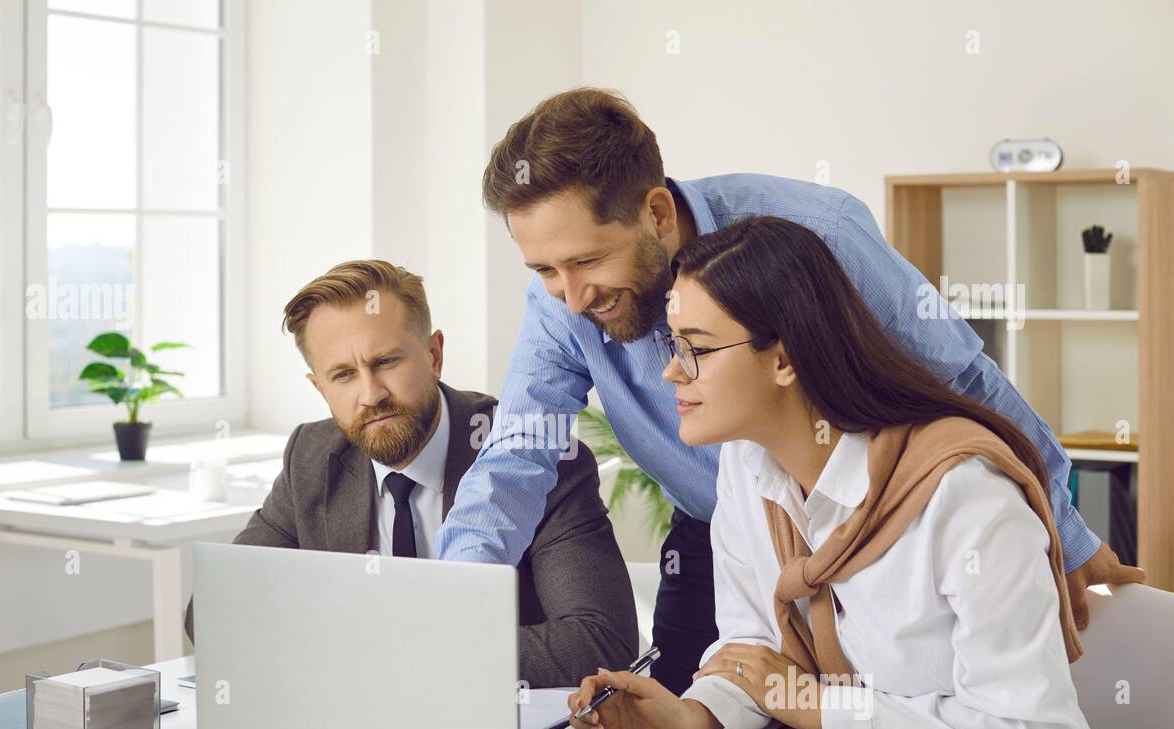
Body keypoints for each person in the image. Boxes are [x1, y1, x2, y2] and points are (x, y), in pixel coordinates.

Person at [436, 87, 1143, 697]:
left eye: (587, 260)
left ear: (655, 213)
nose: (570, 294)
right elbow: (517, 457)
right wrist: (447, 608)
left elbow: (959, 378)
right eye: (545, 270)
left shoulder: (819, 233)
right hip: (719, 539)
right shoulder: (562, 304)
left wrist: (1064, 527)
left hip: (868, 537)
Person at [567, 216, 1101, 729]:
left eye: (697, 348)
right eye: (674, 346)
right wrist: (692, 721)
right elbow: (757, 659)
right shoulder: (745, 465)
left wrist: (825, 708)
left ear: (783, 359)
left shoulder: (963, 494)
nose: (672, 373)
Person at [184, 259, 637, 689]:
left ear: (434, 353)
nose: (371, 394)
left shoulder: (532, 456)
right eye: (343, 375)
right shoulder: (312, 457)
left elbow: (598, 643)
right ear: (319, 389)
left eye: (385, 362)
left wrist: (391, 651)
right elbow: (212, 611)